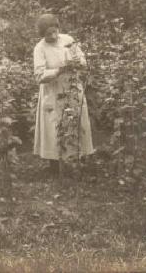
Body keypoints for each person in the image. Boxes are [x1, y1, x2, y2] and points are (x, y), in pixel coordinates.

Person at [33, 14, 94, 175]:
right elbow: (39, 76)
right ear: (42, 35)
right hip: (53, 91)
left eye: (55, 31)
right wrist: (59, 70)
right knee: (54, 126)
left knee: (77, 121)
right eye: (48, 34)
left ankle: (78, 162)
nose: (53, 36)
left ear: (58, 28)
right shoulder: (40, 49)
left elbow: (82, 60)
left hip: (72, 87)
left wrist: (77, 63)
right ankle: (54, 166)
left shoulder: (68, 40)